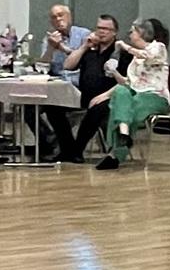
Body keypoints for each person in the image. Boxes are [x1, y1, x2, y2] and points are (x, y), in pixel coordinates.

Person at [97, 18, 170, 170]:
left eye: (132, 32)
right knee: (120, 92)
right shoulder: (135, 60)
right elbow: (129, 82)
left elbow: (149, 58)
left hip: (154, 95)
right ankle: (124, 135)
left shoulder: (158, 47)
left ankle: (116, 153)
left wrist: (125, 47)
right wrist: (114, 72)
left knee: (127, 107)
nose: (129, 35)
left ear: (141, 33)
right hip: (136, 92)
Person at [47, 13, 122, 162]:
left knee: (97, 108)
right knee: (52, 106)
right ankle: (67, 148)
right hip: (83, 95)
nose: (102, 31)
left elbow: (125, 82)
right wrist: (84, 46)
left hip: (108, 97)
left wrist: (104, 96)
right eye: (99, 28)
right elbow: (68, 65)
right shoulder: (90, 49)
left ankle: (77, 150)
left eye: (107, 29)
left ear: (114, 32)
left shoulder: (119, 51)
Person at [41, 3, 90, 79]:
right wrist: (50, 48)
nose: (58, 19)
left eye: (61, 15)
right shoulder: (49, 38)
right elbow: (43, 66)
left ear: (69, 17)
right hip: (57, 80)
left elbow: (84, 61)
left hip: (77, 80)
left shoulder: (83, 34)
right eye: (54, 17)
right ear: (51, 22)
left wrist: (62, 48)